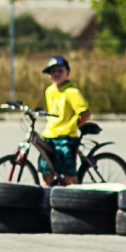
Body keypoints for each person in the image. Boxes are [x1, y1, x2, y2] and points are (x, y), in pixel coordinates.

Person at [39, 55, 90, 186]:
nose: (56, 74)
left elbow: (85, 112)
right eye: (52, 71)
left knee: (68, 176)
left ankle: (74, 202)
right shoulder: (49, 90)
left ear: (67, 72)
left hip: (65, 137)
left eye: (60, 71)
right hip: (50, 136)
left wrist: (73, 126)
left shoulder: (71, 91)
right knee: (46, 173)